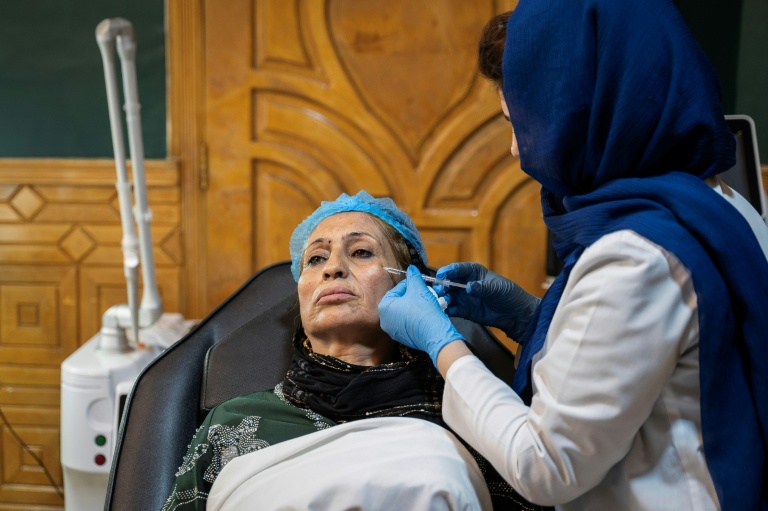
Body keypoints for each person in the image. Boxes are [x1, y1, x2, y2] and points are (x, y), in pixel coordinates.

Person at [378, 1, 768, 510]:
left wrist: (444, 346)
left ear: (587, 110)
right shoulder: (718, 204)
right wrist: (530, 317)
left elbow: (546, 465)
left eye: (521, 120)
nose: (517, 149)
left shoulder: (636, 256)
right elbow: (644, 355)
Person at [162, 191, 542, 511]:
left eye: (361, 252)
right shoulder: (233, 423)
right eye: (315, 259)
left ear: (410, 284)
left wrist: (536, 325)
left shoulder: (474, 415)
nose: (333, 268)